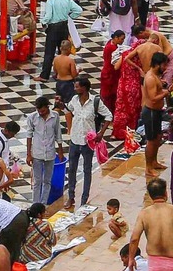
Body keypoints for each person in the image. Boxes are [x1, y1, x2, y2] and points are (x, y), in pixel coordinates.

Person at [63, 77, 110, 209]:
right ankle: (71, 197)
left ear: (84, 88)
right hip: (74, 140)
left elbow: (109, 116)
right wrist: (62, 107)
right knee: (71, 169)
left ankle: (84, 199)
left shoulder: (95, 102)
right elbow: (68, 110)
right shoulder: (74, 100)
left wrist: (101, 133)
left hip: (88, 142)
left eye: (77, 87)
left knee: (87, 170)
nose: (75, 89)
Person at [24, 96, 60, 206]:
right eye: (39, 110)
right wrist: (28, 154)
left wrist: (60, 151)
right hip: (37, 153)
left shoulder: (55, 116)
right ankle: (35, 204)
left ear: (47, 107)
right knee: (37, 181)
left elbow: (58, 133)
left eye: (43, 111)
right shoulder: (32, 117)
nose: (41, 113)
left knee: (47, 181)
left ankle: (43, 204)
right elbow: (29, 136)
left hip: (50, 153)